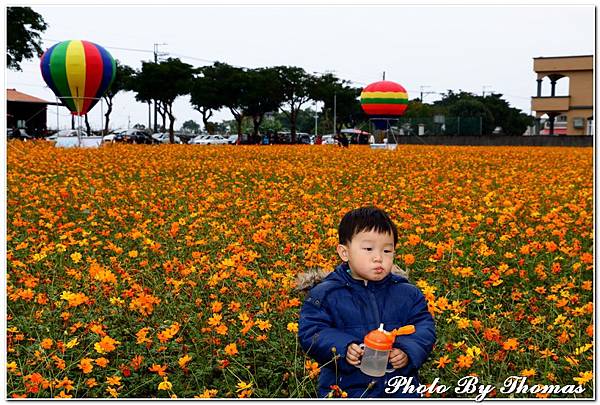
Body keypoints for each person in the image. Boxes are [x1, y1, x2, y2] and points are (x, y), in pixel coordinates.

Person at [298, 206, 436, 398]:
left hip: (399, 389)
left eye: (387, 250)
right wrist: (343, 349)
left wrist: (407, 350)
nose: (378, 257)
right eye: (368, 249)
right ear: (344, 252)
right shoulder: (326, 294)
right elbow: (311, 332)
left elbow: (424, 327)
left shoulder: (407, 293)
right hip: (347, 390)